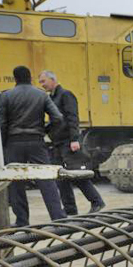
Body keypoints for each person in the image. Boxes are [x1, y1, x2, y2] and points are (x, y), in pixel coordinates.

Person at [0, 66, 67, 227]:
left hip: (14, 143)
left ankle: (22, 221)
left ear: (15, 78)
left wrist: (3, 144)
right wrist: (44, 130)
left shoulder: (7, 95)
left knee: (16, 181)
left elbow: (2, 123)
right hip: (36, 141)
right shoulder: (41, 95)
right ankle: (58, 217)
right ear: (30, 77)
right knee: (46, 179)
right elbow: (58, 117)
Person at [38, 70, 106, 215]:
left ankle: (97, 202)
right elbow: (54, 120)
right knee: (60, 177)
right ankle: (70, 208)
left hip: (67, 142)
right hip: (57, 143)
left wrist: (74, 139)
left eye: (43, 81)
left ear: (52, 79)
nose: (41, 85)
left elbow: (72, 117)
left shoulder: (65, 95)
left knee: (76, 175)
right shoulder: (52, 97)